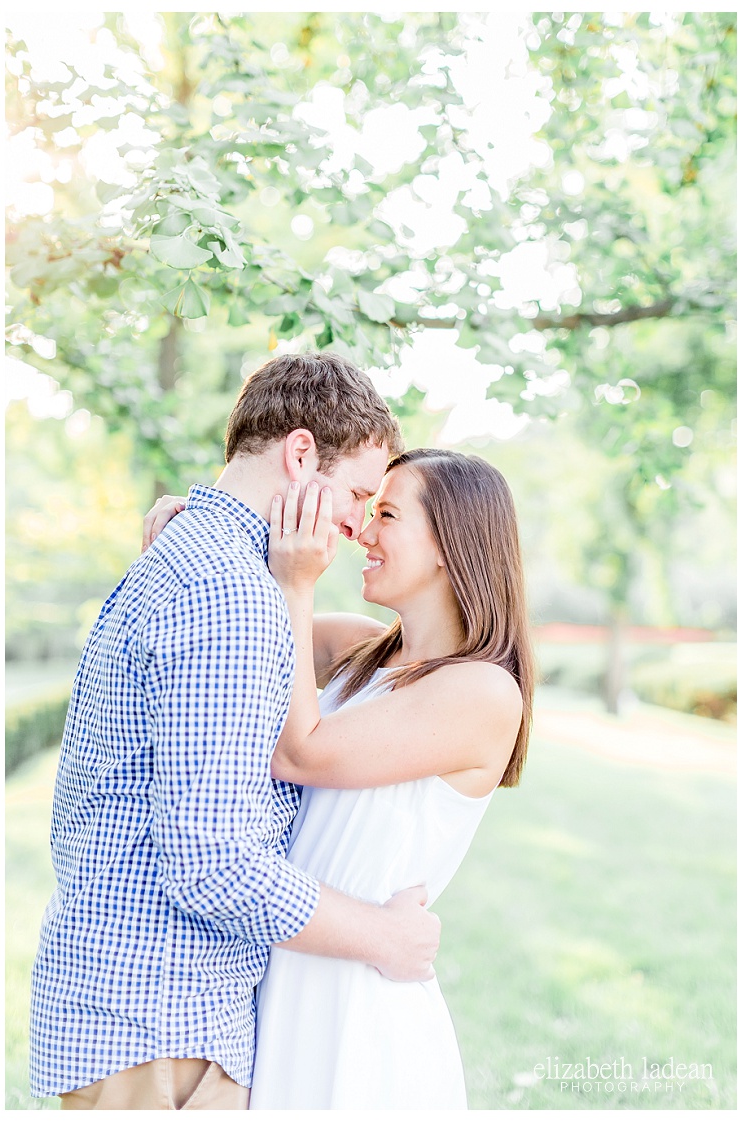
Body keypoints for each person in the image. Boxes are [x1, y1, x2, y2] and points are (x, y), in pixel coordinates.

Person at [29, 352, 441, 1111]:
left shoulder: (200, 559)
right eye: (357, 493)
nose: (357, 525)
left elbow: (355, 654)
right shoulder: (230, 595)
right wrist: (387, 939)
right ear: (300, 453)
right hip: (162, 1022)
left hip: (140, 1013)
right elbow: (213, 861)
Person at [143, 448, 534, 1108]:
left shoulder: (483, 692)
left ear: (450, 542)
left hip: (359, 1007)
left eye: (386, 513)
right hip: (289, 973)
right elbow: (238, 624)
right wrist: (198, 532)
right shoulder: (364, 652)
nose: (362, 532)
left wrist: (298, 584)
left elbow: (301, 753)